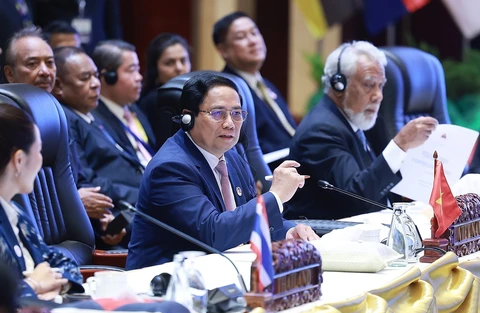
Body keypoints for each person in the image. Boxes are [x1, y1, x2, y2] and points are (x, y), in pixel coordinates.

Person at [126, 73, 318, 270]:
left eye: (236, 114)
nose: (230, 123)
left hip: (221, 273)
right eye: (218, 114)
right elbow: (213, 234)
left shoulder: (232, 157)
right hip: (163, 284)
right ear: (188, 117)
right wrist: (276, 196)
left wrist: (288, 231)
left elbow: (245, 220)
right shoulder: (170, 168)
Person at [284, 41, 439, 220]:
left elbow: (381, 180)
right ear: (339, 85)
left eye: (381, 85)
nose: (378, 95)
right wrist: (400, 144)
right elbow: (356, 197)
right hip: (329, 235)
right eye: (368, 84)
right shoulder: (320, 131)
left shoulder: (362, 117)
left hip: (371, 224)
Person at [3, 26, 116, 234]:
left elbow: (78, 179)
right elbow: (10, 197)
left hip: (73, 239)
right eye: (32, 63)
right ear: (10, 74)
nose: (45, 71)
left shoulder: (58, 115)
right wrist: (73, 201)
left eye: (50, 62)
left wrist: (103, 220)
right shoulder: (5, 123)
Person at [53, 46, 144, 249]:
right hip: (118, 206)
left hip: (131, 203)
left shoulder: (94, 115)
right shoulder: (67, 119)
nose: (95, 84)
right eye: (85, 78)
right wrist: (145, 191)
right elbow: (89, 181)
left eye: (95, 76)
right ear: (59, 86)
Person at [0, 103, 83, 300]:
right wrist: (34, 286)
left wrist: (54, 286)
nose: (41, 160)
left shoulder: (15, 213)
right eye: (39, 151)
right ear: (19, 160)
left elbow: (62, 262)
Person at [213, 11, 297, 168]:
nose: (252, 41)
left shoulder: (267, 85)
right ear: (223, 50)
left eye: (254, 32)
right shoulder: (227, 90)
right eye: (241, 37)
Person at [91, 40, 156, 168]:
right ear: (108, 77)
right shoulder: (95, 118)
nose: (139, 77)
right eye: (131, 70)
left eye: (138, 70)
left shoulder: (134, 109)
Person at [138, 33, 191, 129]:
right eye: (169, 63)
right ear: (155, 68)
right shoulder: (151, 102)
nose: (179, 68)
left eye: (183, 60)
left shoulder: (198, 95)